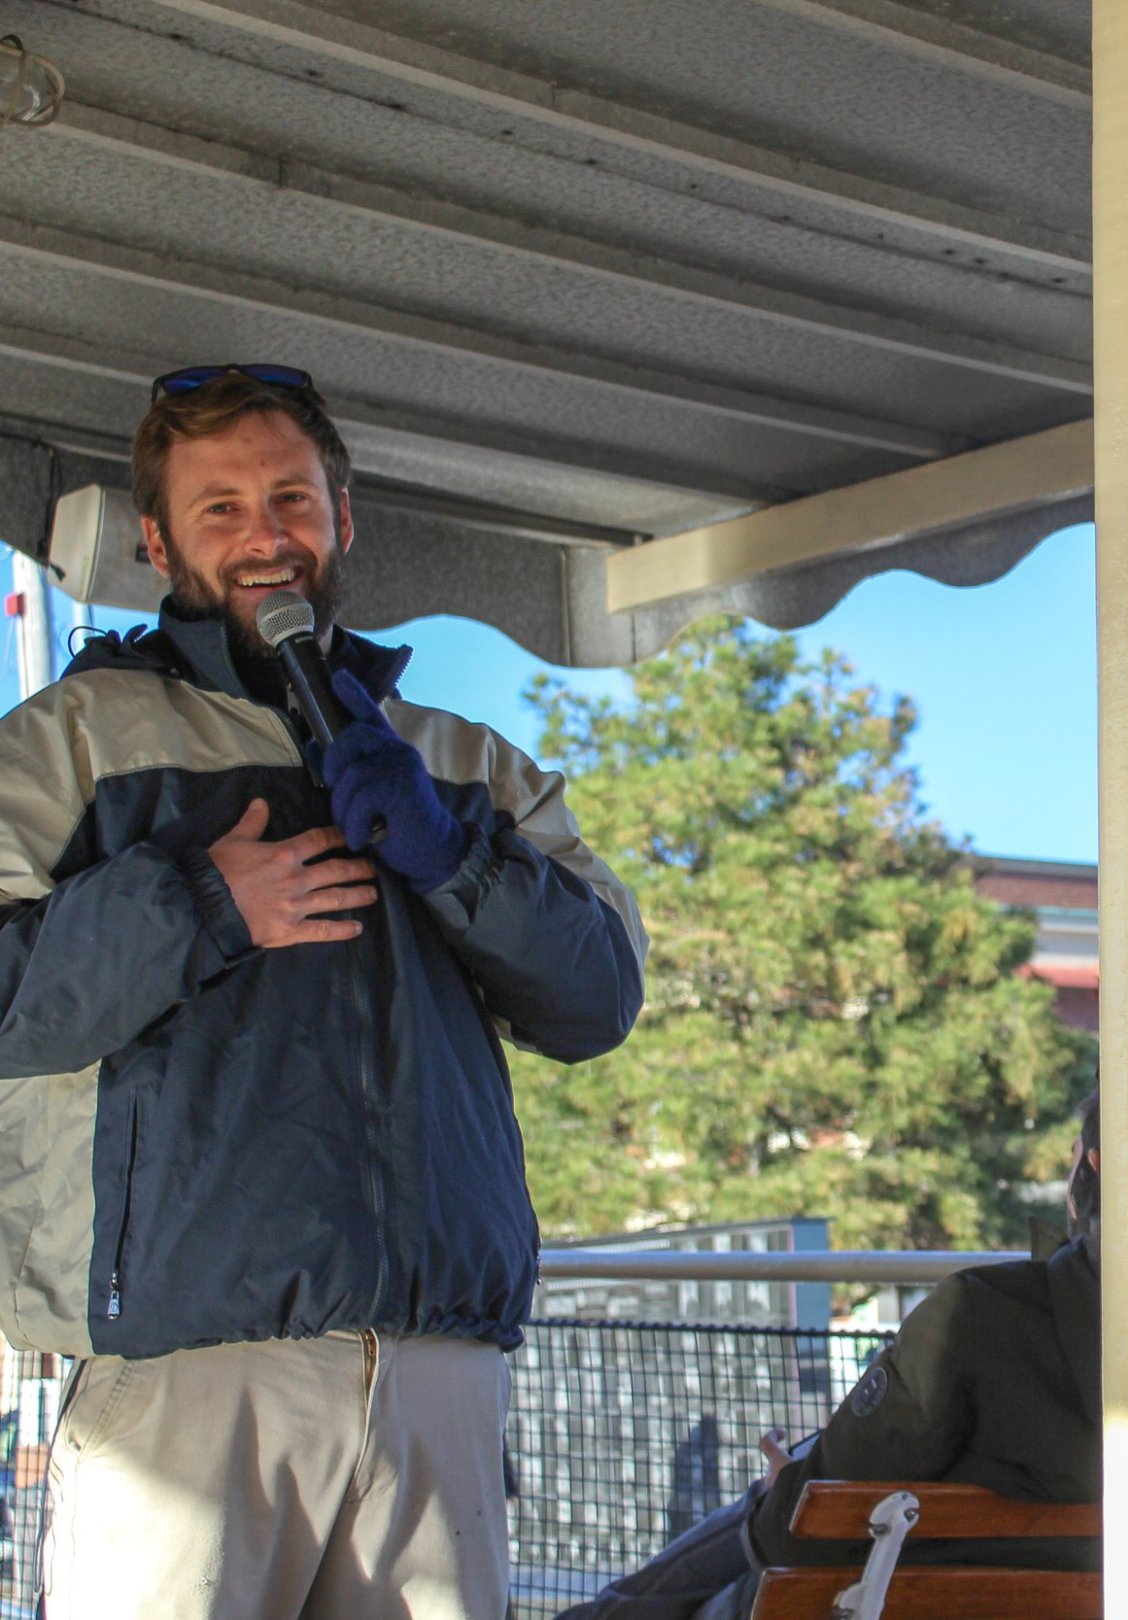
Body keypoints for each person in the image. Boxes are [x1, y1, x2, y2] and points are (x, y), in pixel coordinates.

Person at [0, 364, 647, 1619]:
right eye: (221, 508)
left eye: (290, 499)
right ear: (156, 540)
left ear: (343, 517)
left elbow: (601, 996)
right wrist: (197, 904)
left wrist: (457, 857)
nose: (264, 538)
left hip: (437, 1375)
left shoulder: (466, 761)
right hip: (185, 1375)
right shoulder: (68, 742)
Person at [560, 1063, 1128, 1620]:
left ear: (1091, 1161)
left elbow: (807, 1533)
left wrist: (774, 1501)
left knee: (763, 1519)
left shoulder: (981, 1315)